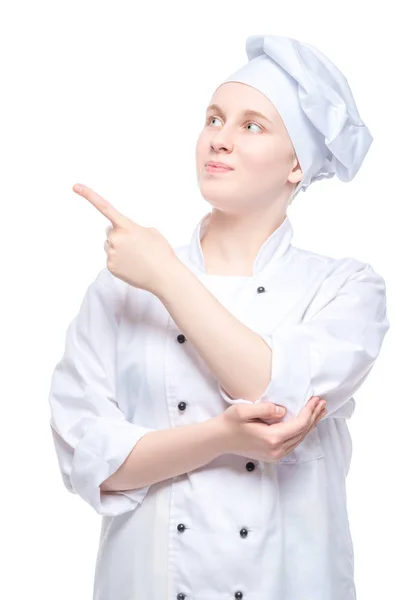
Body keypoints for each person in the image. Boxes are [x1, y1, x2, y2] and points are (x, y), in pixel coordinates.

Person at [47, 34, 390, 599]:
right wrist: (218, 438)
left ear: (296, 164)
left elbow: (272, 387)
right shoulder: (120, 288)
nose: (219, 139)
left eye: (252, 125)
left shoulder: (346, 289)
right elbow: (88, 459)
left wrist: (166, 275)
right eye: (214, 118)